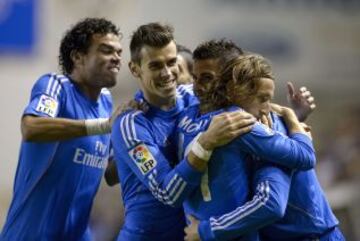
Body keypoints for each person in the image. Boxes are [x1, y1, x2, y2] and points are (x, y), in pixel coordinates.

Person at [110, 23, 255, 241]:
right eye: (156, 66)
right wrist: (205, 143)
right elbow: (168, 194)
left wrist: (286, 115)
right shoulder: (131, 124)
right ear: (134, 69)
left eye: (171, 62)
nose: (167, 73)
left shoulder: (195, 97)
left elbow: (245, 103)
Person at [185, 53, 343, 241]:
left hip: (314, 236)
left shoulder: (263, 126)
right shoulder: (230, 124)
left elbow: (274, 199)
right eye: (262, 98)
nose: (268, 108)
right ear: (234, 90)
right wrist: (292, 116)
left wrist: (205, 231)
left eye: (269, 99)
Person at [0, 18, 122, 241]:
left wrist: (142, 144)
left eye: (119, 52)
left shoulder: (106, 102)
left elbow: (112, 174)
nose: (116, 58)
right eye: (106, 50)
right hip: (30, 235)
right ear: (78, 56)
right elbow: (31, 127)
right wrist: (101, 126)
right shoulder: (55, 85)